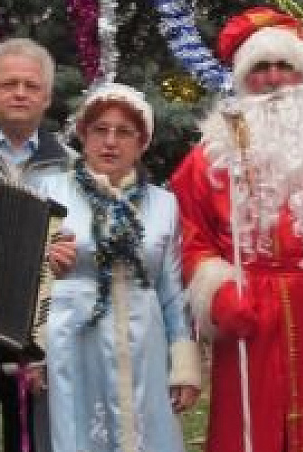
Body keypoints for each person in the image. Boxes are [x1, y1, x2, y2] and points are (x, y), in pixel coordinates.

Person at [170, 7, 303, 452]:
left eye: (284, 66)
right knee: (248, 432)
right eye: (260, 68)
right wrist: (216, 290)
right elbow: (189, 234)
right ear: (241, 78)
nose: (272, 80)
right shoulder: (209, 155)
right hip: (246, 318)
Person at [34, 82, 201, 452]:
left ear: (141, 143)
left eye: (124, 132)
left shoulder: (163, 205)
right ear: (83, 136)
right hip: (72, 339)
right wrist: (33, 350)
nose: (111, 142)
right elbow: (25, 276)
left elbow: (171, 291)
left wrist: (183, 363)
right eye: (100, 130)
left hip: (145, 343)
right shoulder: (50, 192)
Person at [0, 37, 77, 452]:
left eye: (31, 86)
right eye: (9, 84)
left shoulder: (70, 165)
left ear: (46, 97)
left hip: (39, 330)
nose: (20, 93)